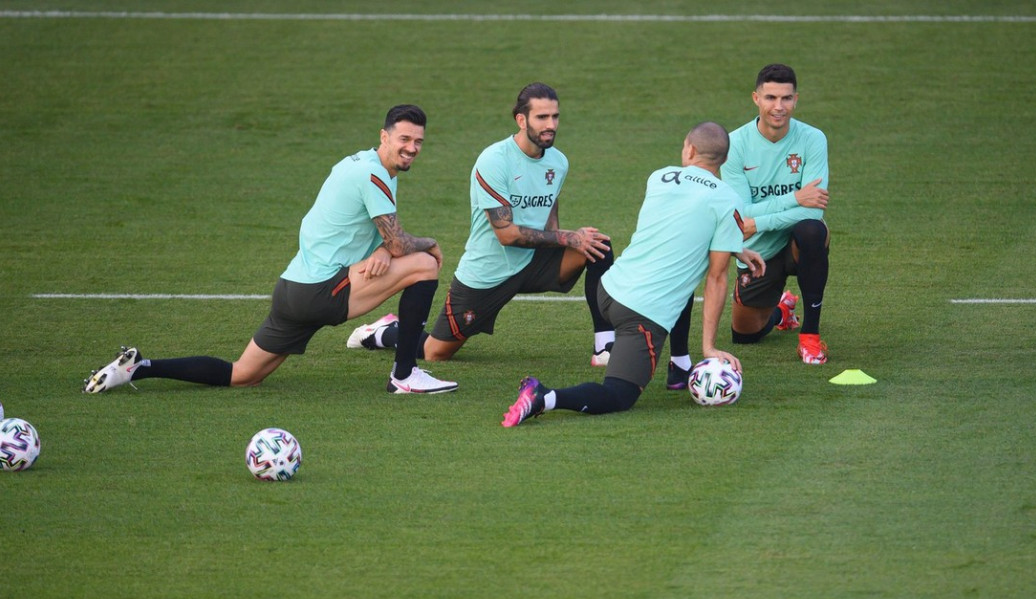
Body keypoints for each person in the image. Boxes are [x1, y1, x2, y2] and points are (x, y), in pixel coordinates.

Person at [83, 105, 458, 395]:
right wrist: (430, 244)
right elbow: (398, 242)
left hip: (292, 289)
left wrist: (382, 250)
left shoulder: (357, 165)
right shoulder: (375, 175)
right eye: (405, 139)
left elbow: (369, 231)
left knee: (242, 376)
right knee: (424, 264)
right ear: (384, 136)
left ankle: (140, 367)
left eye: (418, 142)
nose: (412, 148)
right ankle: (405, 375)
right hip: (322, 291)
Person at [500, 121, 765, 427]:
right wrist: (709, 347)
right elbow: (717, 277)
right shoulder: (728, 199)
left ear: (690, 149)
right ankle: (544, 397)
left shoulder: (660, 178)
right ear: (723, 160)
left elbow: (680, 228)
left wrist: (734, 246)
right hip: (639, 315)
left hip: (608, 290)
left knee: (680, 270)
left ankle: (680, 367)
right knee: (619, 394)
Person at [346, 83, 616, 366]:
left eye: (555, 117)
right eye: (542, 117)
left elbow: (550, 209)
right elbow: (506, 234)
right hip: (488, 273)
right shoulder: (494, 161)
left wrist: (564, 238)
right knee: (435, 353)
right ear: (521, 120)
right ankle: (386, 331)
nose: (551, 125)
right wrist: (566, 238)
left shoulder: (558, 162)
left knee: (597, 246)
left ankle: (604, 346)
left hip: (532, 263)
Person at [664, 63, 831, 389]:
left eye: (786, 98)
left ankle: (810, 335)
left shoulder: (813, 139)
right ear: (756, 98)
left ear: (796, 99)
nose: (778, 106)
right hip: (758, 253)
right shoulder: (736, 143)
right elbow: (742, 216)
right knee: (744, 336)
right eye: (770, 97)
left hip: (796, 239)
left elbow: (815, 210)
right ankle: (782, 311)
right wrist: (795, 197)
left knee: (812, 232)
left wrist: (761, 220)